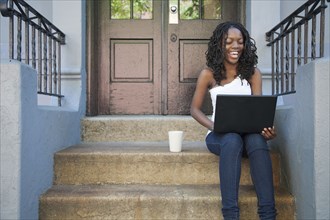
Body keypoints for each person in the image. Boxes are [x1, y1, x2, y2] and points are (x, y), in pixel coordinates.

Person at [190, 21, 277, 220]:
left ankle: (268, 215)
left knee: (256, 140)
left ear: (245, 44)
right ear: (219, 45)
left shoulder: (253, 74)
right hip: (219, 137)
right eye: (228, 41)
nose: (235, 46)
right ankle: (230, 215)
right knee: (231, 138)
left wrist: (268, 130)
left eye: (240, 41)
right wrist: (215, 126)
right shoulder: (208, 74)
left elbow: (258, 111)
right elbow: (194, 109)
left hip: (248, 137)